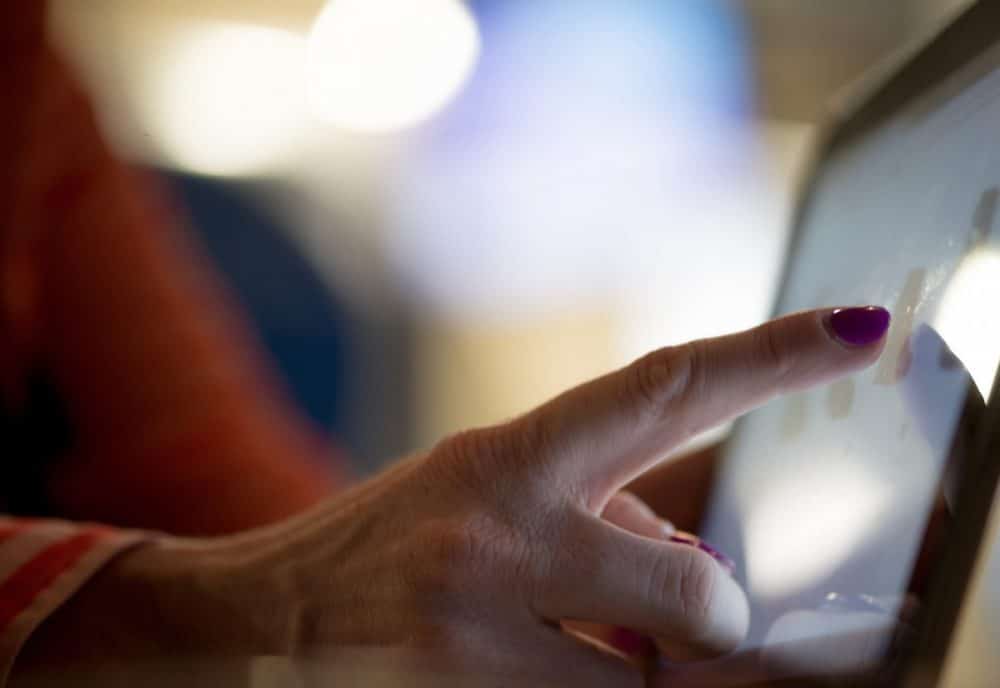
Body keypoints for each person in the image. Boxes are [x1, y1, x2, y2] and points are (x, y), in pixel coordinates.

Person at [0, 4, 893, 686]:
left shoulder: (28, 71)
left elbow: (244, 521)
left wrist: (514, 573)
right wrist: (272, 605)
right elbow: (271, 588)